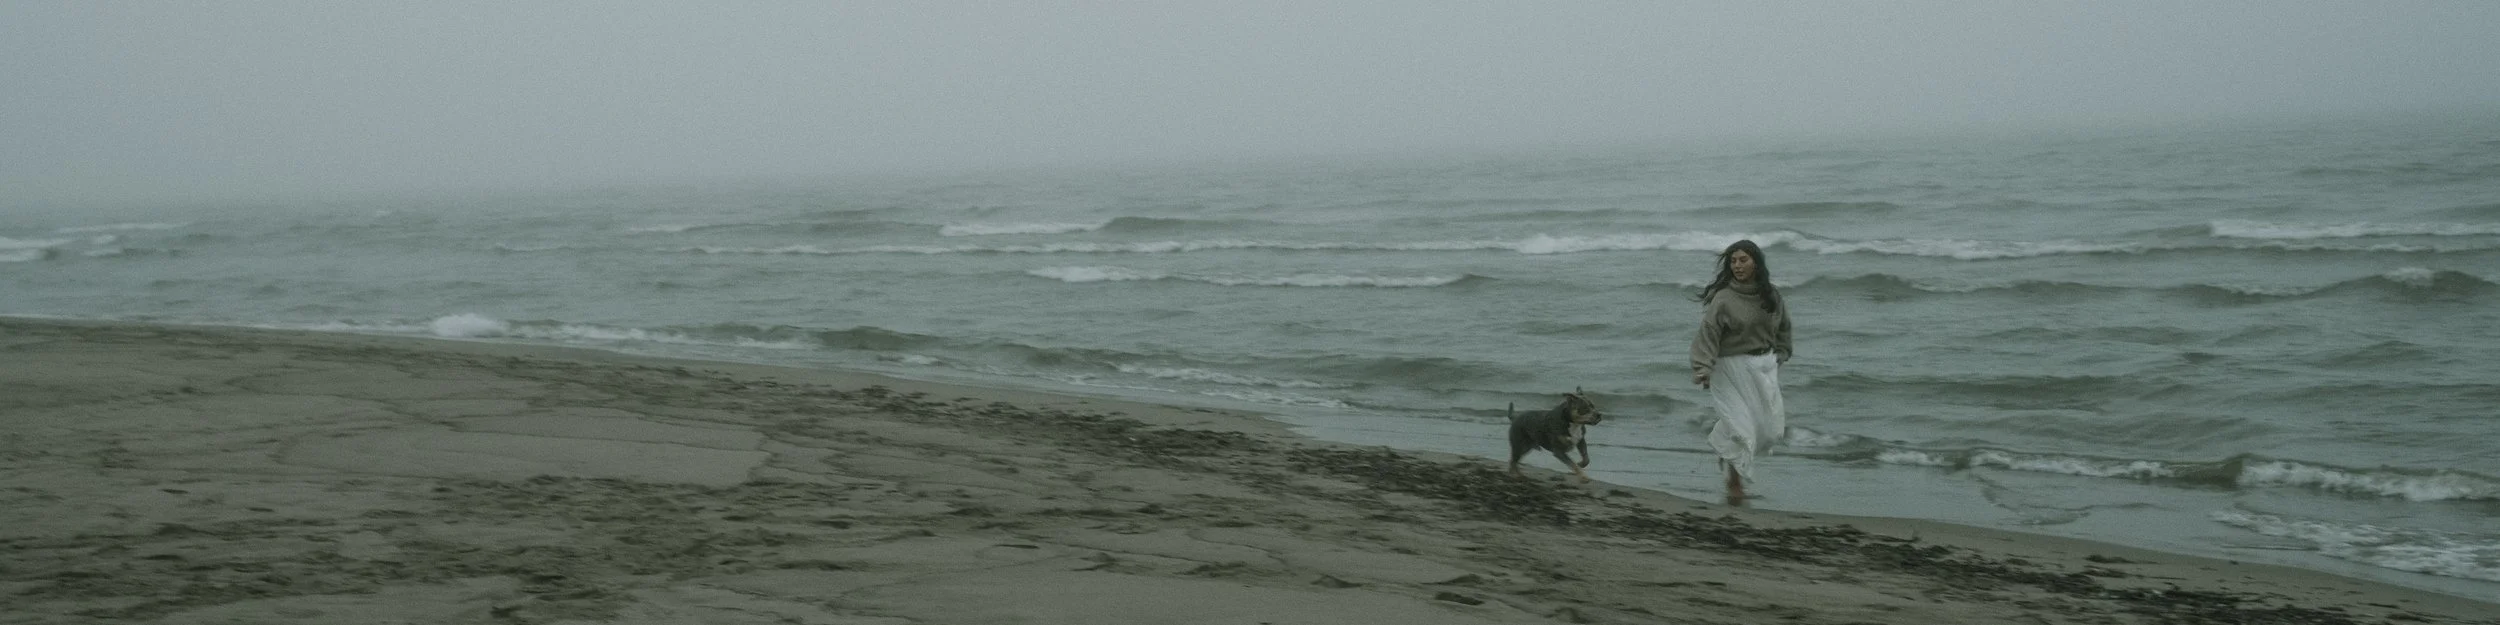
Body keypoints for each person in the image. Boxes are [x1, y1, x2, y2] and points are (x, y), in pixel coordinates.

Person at [1689, 239, 1791, 505]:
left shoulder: (1771, 295)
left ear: (1756, 262)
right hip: (1729, 367)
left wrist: (1781, 353)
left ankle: (1724, 449)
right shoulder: (1723, 299)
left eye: (1743, 260)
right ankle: (1734, 483)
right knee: (1742, 428)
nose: (1737, 266)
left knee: (1769, 431)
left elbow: (1783, 327)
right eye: (1733, 261)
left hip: (1764, 365)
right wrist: (1703, 368)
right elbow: (1708, 334)